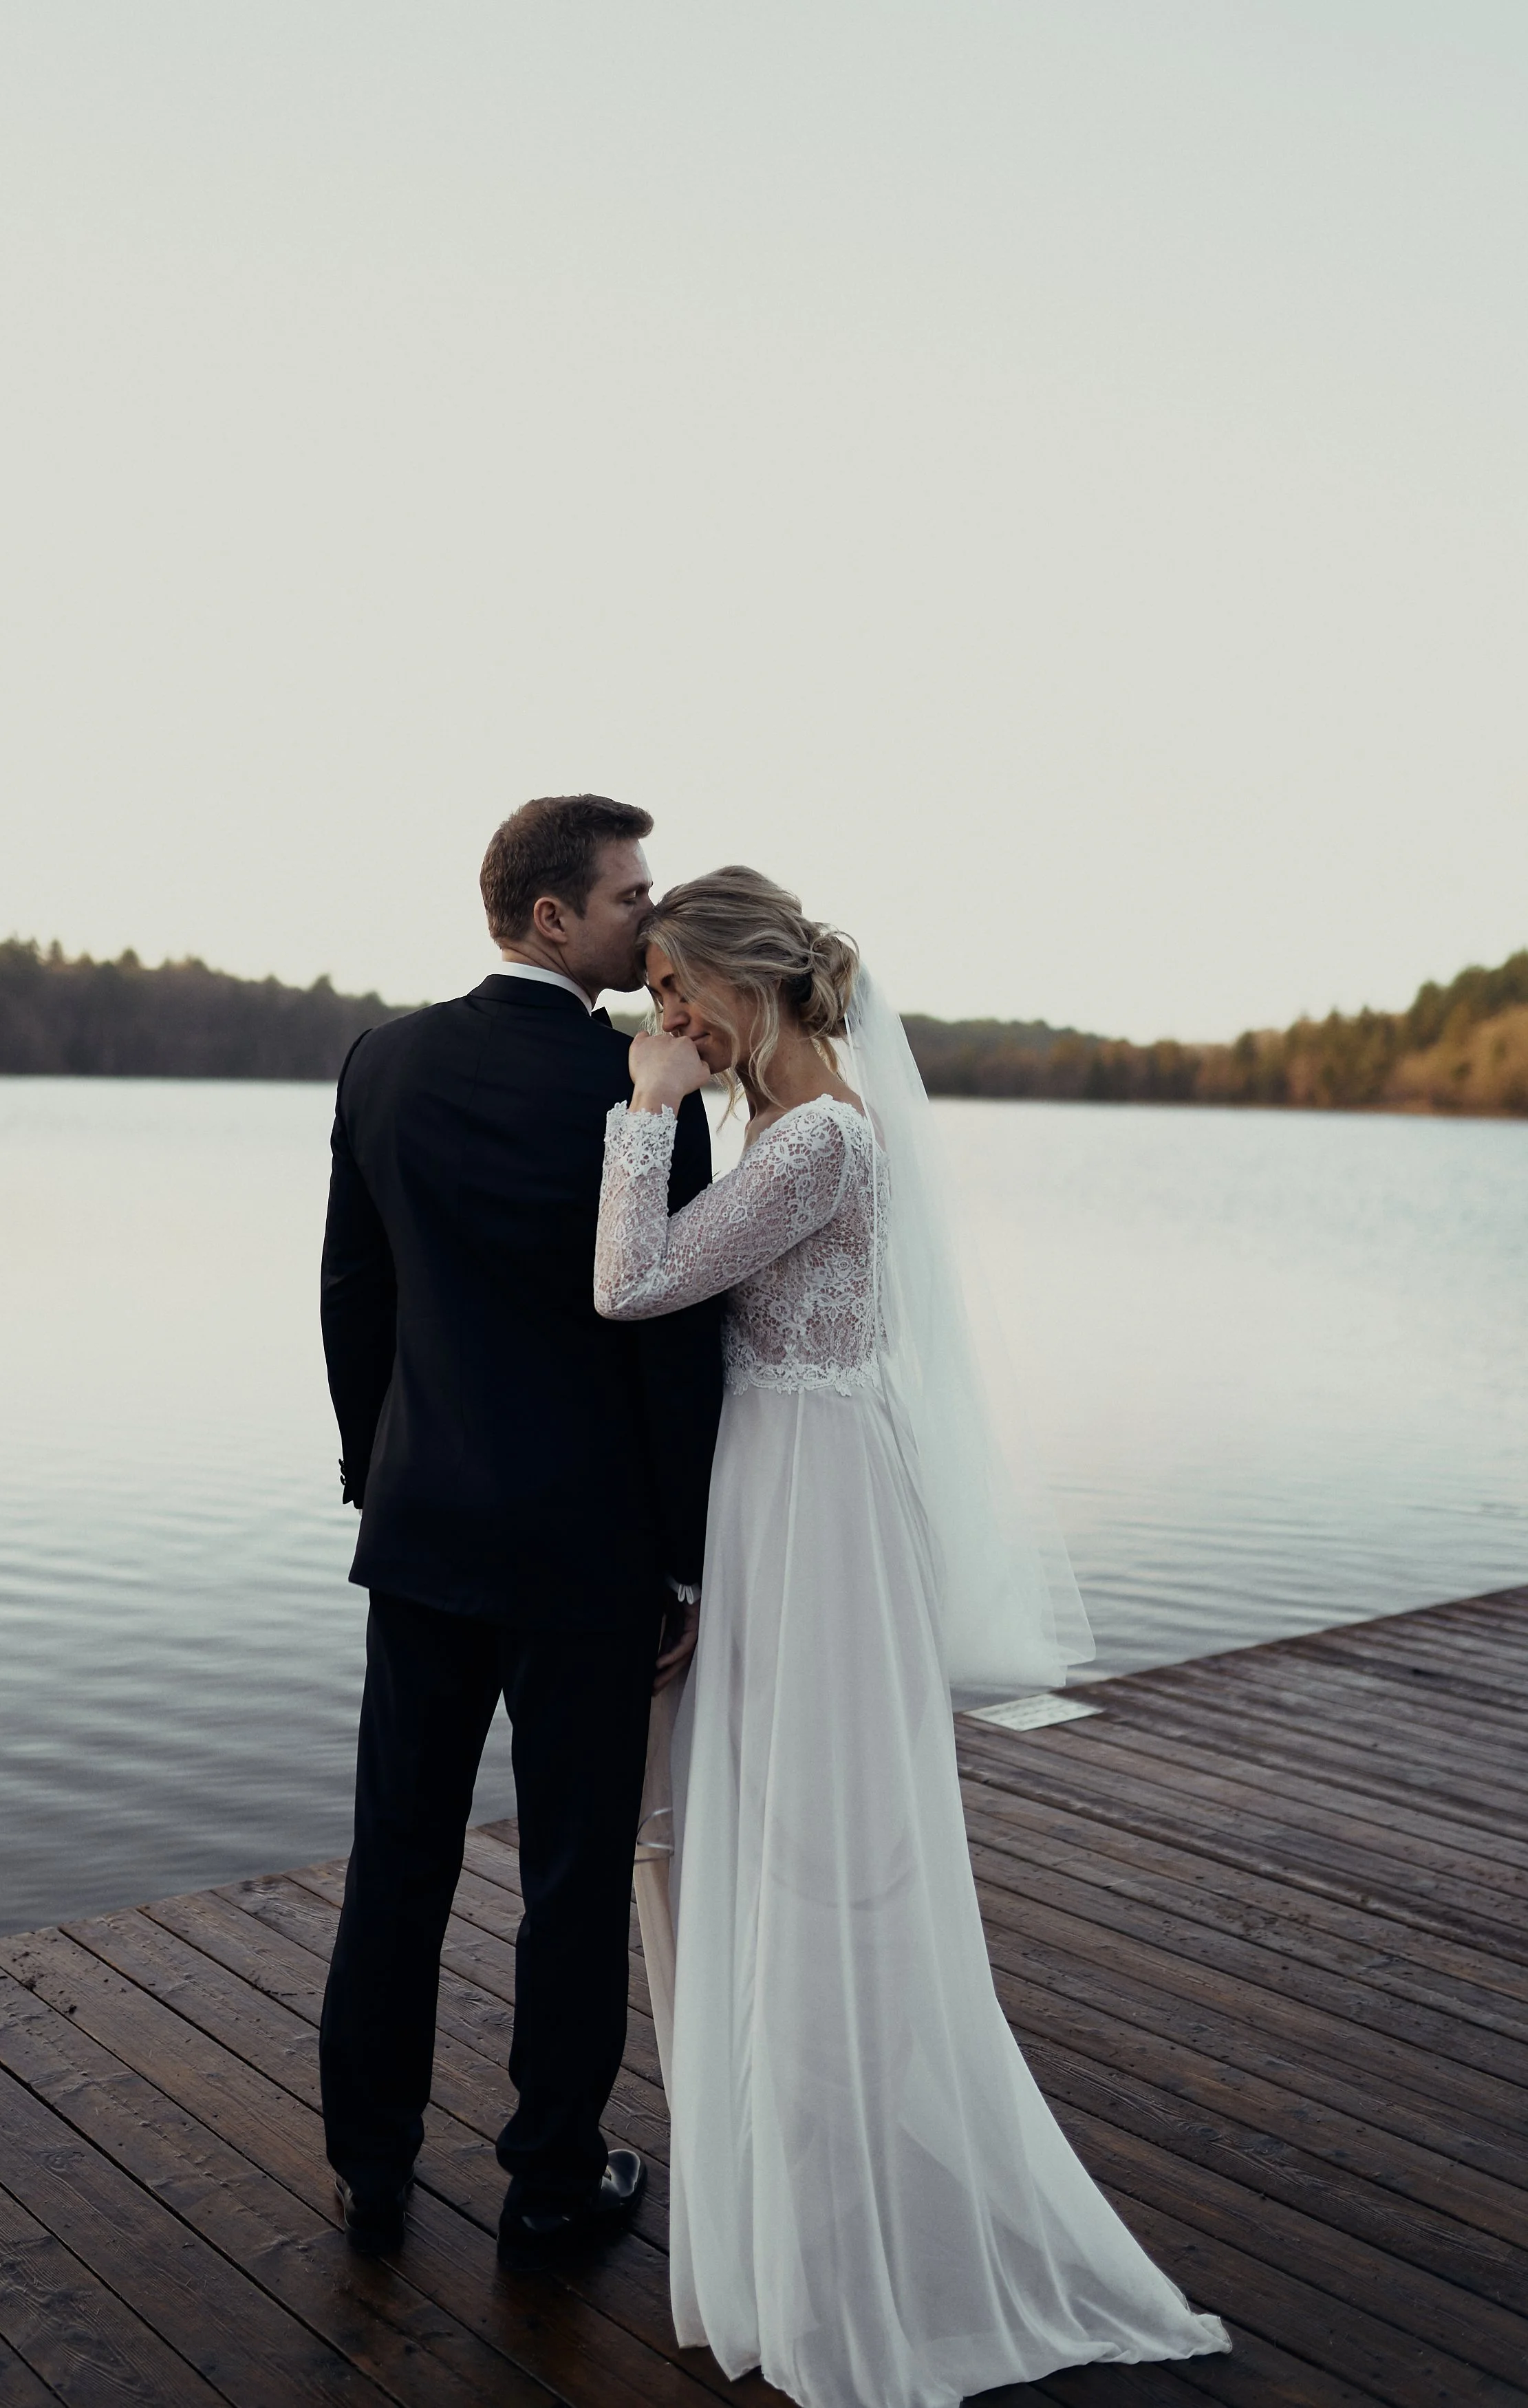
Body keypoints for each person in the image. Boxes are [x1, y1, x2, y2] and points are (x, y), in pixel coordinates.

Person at [593, 866, 1229, 2408]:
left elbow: (630, 1283)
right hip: (795, 1482)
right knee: (795, 1810)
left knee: (813, 1816)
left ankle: (846, 2183)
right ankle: (817, 2137)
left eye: (680, 988)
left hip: (810, 1501)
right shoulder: (800, 1120)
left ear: (746, 985)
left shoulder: (810, 1137)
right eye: (656, 993)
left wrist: (638, 1104)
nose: (665, 1015)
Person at [319, 795, 723, 2270]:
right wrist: (683, 1556)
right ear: (551, 917)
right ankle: (552, 2178)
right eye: (629, 896)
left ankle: (369, 2166)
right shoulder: (643, 1093)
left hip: (423, 1538)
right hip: (589, 1557)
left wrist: (382, 1475)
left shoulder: (384, 1063)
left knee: (396, 1860)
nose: (647, 917)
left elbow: (352, 1299)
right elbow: (675, 1347)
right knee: (571, 1874)